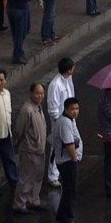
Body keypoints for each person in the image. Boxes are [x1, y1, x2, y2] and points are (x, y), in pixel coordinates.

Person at [12, 82, 46, 214]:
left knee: (37, 176)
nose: (40, 96)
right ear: (31, 93)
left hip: (39, 148)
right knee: (26, 177)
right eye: (37, 93)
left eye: (42, 93)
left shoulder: (38, 107)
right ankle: (19, 203)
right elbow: (19, 130)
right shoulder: (27, 110)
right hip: (29, 149)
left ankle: (33, 199)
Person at [52, 97, 82, 223]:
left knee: (67, 190)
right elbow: (69, 144)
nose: (75, 111)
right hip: (67, 161)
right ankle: (68, 218)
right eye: (72, 109)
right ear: (66, 109)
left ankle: (61, 214)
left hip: (68, 160)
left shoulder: (70, 120)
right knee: (70, 191)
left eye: (77, 108)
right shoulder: (65, 122)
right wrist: (75, 160)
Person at [47, 57, 76, 188]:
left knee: (69, 144)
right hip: (60, 121)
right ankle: (53, 175)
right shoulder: (55, 84)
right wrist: (59, 122)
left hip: (70, 119)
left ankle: (63, 170)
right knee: (57, 147)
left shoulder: (68, 80)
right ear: (69, 70)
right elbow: (53, 107)